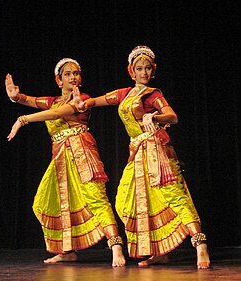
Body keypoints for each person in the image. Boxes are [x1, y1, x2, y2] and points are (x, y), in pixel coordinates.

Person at [73, 46, 210, 269]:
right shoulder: (124, 94)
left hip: (157, 152)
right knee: (126, 201)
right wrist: (83, 103)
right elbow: (97, 101)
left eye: (148, 68)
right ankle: (158, 252)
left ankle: (200, 244)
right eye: (139, 68)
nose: (144, 72)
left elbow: (172, 117)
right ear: (131, 71)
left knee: (174, 196)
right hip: (136, 153)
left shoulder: (153, 94)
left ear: (153, 71)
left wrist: (154, 117)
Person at [5, 58, 125, 267]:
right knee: (46, 202)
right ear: (58, 80)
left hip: (81, 151)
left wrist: (23, 119)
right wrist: (16, 97)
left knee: (96, 197)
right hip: (60, 158)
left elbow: (58, 114)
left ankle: (115, 247)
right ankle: (66, 250)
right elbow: (31, 100)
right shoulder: (53, 100)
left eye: (76, 73)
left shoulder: (82, 99)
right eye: (68, 74)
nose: (73, 77)